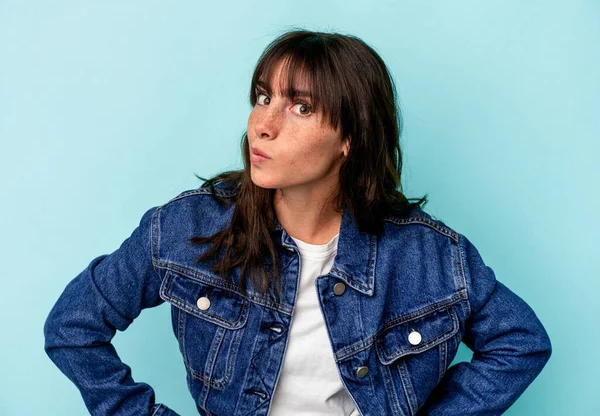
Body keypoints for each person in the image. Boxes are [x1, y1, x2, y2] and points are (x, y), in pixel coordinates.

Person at [44, 29, 552, 416]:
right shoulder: (187, 227)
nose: (263, 124)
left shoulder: (429, 256)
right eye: (263, 97)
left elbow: (521, 343)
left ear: (350, 138)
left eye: (301, 107)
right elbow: (72, 327)